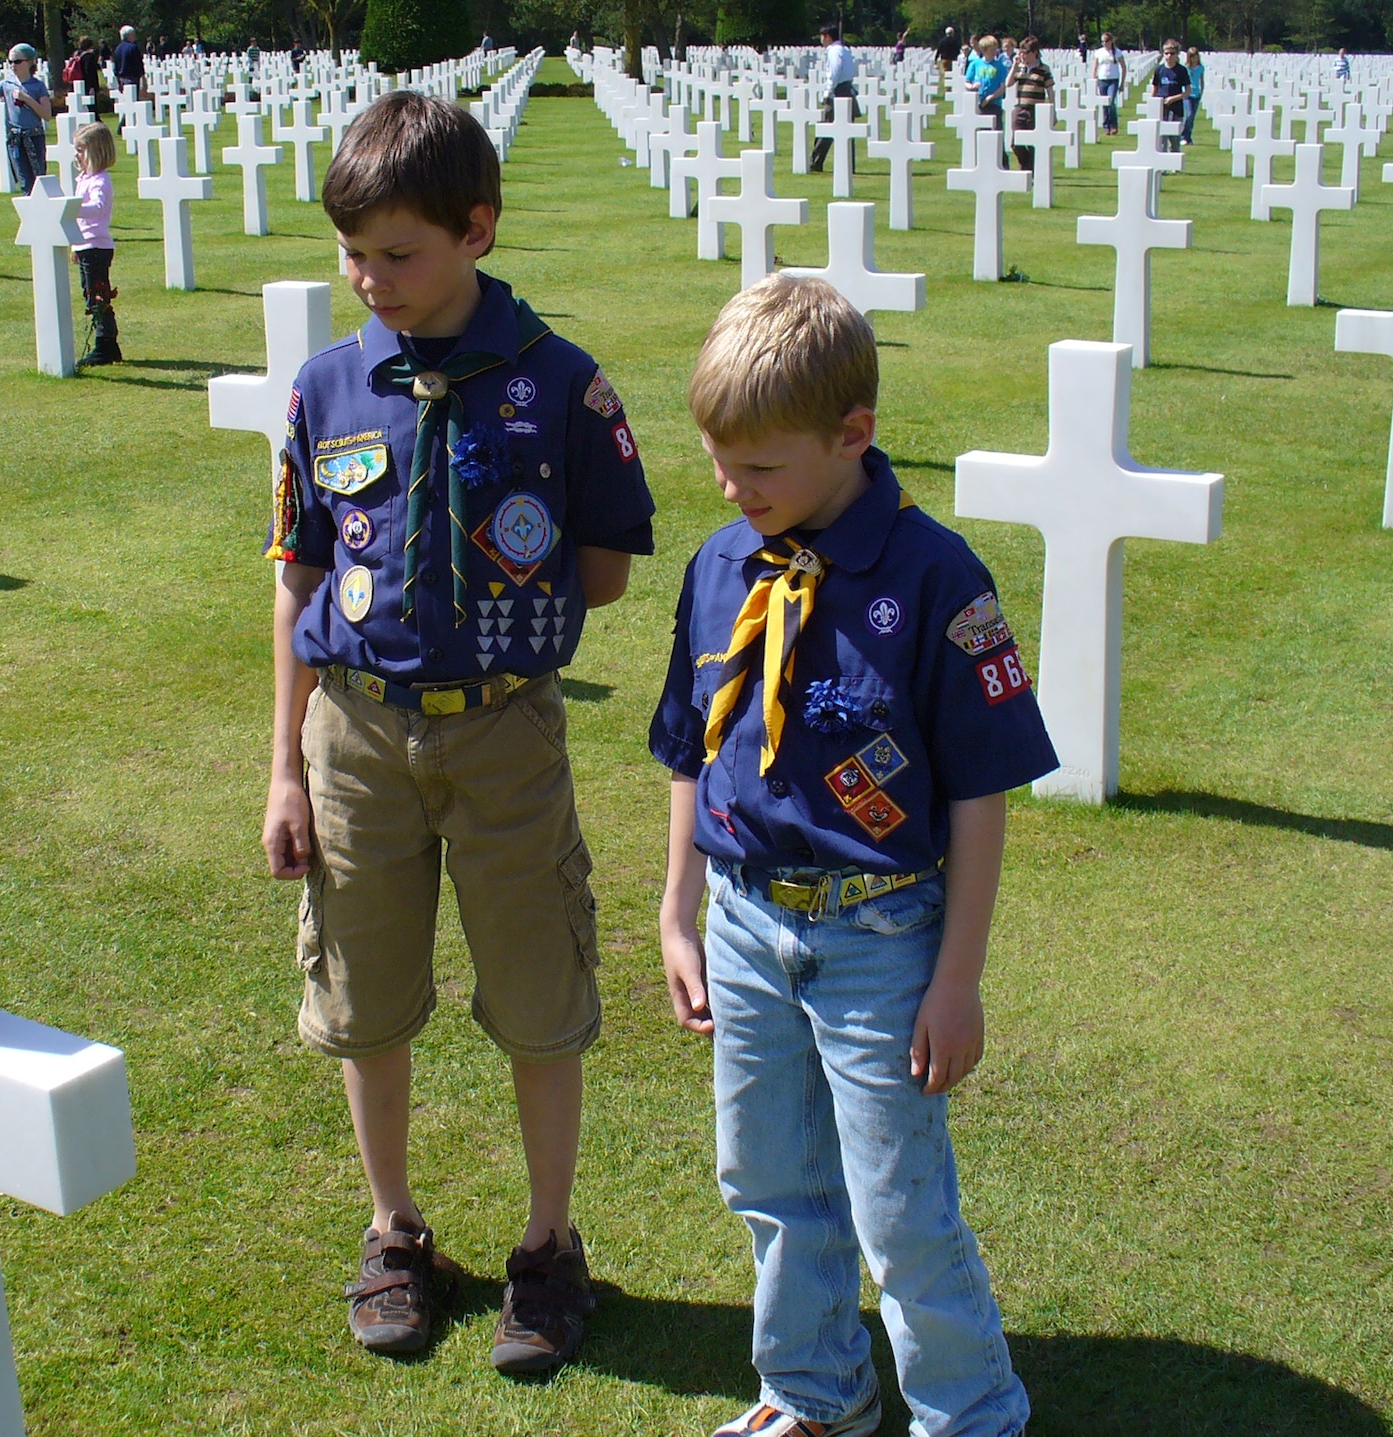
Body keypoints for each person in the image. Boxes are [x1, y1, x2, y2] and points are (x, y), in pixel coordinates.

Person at [261, 90, 656, 1376]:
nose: (368, 279)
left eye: (398, 252)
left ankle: (547, 1245)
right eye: (353, 253)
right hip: (356, 738)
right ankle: (393, 1230)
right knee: (365, 997)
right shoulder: (327, 389)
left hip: (500, 734)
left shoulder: (557, 385)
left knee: (539, 993)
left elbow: (601, 567)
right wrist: (283, 768)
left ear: (476, 229)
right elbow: (299, 582)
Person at [652, 272, 1053, 1437]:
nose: (733, 492)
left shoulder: (936, 580)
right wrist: (677, 911)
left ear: (851, 435)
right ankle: (813, 1395)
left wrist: (956, 977)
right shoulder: (722, 563)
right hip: (740, 917)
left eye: (760, 469)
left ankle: (968, 1415)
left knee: (896, 1206)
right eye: (719, 465)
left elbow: (981, 789)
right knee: (769, 1183)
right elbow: (695, 744)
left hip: (880, 935)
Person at [72, 122, 121, 367]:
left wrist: (72, 208)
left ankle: (105, 343)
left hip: (97, 246)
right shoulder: (83, 179)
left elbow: (98, 208)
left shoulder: (100, 181)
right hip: (84, 245)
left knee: (98, 296)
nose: (77, 155)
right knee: (90, 294)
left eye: (81, 150)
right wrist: (74, 246)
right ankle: (108, 345)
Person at [0, 43, 53, 195]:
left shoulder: (38, 86)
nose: (13, 65)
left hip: (34, 137)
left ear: (29, 62)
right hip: (15, 139)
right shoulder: (6, 85)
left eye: (17, 61)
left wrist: (27, 99)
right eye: (11, 62)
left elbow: (46, 114)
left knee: (39, 180)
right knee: (25, 182)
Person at [808, 25, 858, 173]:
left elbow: (834, 72)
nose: (821, 40)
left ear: (828, 36)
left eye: (822, 36)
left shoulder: (834, 51)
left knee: (827, 128)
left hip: (838, 91)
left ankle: (816, 162)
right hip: (847, 89)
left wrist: (828, 92)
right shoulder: (844, 50)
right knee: (848, 130)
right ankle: (849, 165)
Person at [963, 35, 1010, 167]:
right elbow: (967, 81)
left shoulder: (1000, 66)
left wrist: (991, 97)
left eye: (995, 48)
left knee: (996, 134)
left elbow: (1002, 86)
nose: (994, 51)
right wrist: (972, 87)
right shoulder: (975, 64)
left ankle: (1002, 164)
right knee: (981, 135)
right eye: (991, 49)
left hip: (994, 104)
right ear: (984, 49)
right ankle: (982, 163)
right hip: (978, 105)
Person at [1006, 36, 1052, 171]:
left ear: (1034, 53)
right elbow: (1008, 83)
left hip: (1036, 110)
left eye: (1025, 53)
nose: (1022, 55)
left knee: (1034, 143)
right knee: (1015, 143)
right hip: (1020, 108)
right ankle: (1026, 165)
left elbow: (1050, 90)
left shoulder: (1044, 69)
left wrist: (1053, 111)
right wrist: (1015, 65)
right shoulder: (1019, 68)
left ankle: (1030, 170)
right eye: (1021, 52)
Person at [1153, 40, 1189, 153]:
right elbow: (1155, 88)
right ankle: (1162, 163)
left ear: (1177, 54)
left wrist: (1173, 98)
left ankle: (1174, 161)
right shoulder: (1159, 69)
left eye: (1172, 53)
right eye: (1166, 53)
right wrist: (1152, 103)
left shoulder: (1181, 70)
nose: (1169, 56)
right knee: (1162, 135)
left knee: (1174, 137)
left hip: (1176, 106)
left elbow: (1187, 91)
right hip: (1161, 106)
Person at [111, 25, 145, 130]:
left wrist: (118, 81)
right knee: (133, 102)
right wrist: (143, 78)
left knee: (129, 102)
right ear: (129, 35)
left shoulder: (117, 49)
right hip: (132, 78)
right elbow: (138, 64)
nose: (134, 36)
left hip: (122, 78)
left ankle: (128, 124)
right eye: (133, 34)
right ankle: (123, 126)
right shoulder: (133, 47)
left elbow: (115, 67)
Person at [1092, 31, 1124, 136]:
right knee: (1104, 104)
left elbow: (1124, 67)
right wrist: (1093, 78)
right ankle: (1106, 126)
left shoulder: (1117, 52)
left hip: (1113, 80)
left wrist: (1122, 83)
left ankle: (1114, 125)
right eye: (1102, 41)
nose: (1104, 43)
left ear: (1111, 41)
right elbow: (1095, 66)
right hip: (1102, 80)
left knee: (1110, 102)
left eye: (1106, 41)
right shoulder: (1099, 52)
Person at [1183, 46, 1205, 144]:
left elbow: (1201, 80)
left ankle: (1188, 137)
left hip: (1196, 94)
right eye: (1192, 57)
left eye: (1195, 57)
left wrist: (1202, 91)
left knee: (1192, 118)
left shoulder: (1201, 68)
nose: (1194, 59)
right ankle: (1183, 136)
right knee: (1188, 115)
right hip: (1187, 94)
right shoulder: (1186, 68)